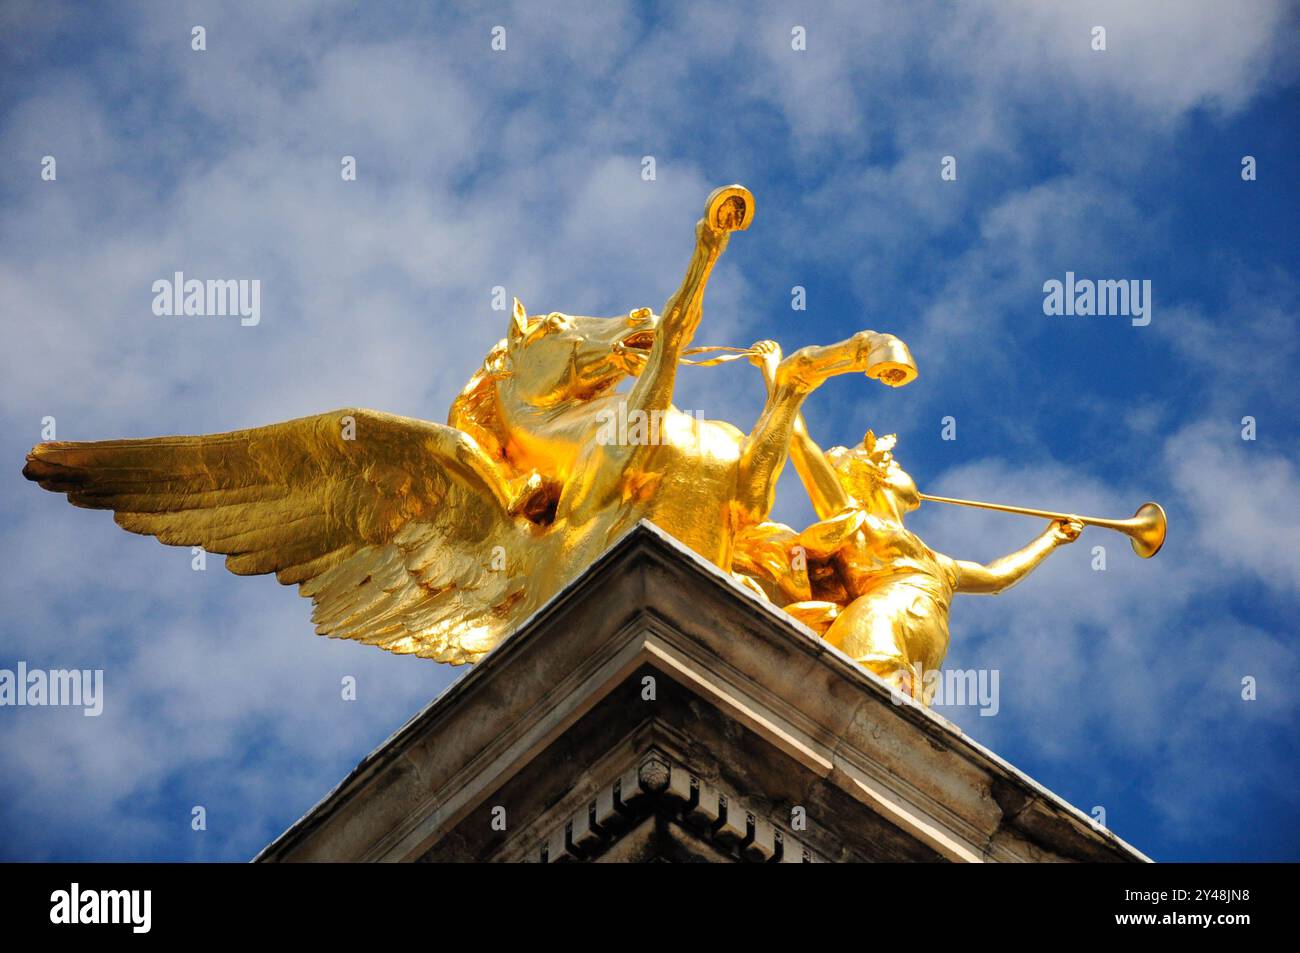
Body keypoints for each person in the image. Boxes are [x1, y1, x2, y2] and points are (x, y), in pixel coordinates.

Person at [736, 341, 1083, 703]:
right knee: (849, 705)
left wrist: (1052, 538)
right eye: (897, 463)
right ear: (876, 474)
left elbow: (997, 577)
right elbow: (799, 441)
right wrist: (776, 374)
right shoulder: (853, 519)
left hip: (924, 647)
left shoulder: (938, 562)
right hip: (877, 622)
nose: (903, 467)